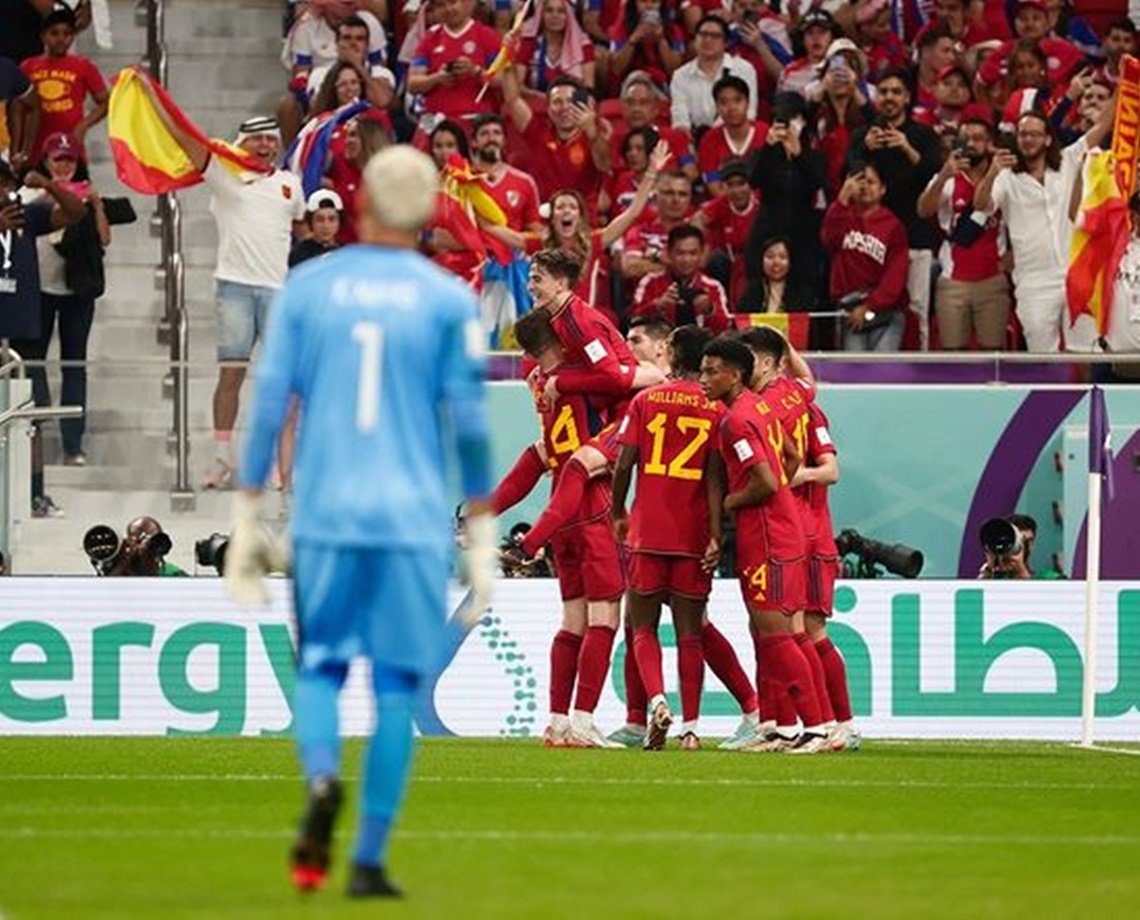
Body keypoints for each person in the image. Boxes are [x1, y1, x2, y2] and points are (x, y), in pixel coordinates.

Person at [226, 145, 495, 899]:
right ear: (431, 212)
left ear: (363, 201)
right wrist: (480, 532)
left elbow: (269, 401)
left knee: (320, 668)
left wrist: (249, 511)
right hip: (410, 520)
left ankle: (319, 781)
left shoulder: (309, 287)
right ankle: (370, 859)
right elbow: (470, 424)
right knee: (397, 691)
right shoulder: (449, 300)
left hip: (326, 514)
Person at [140, 104, 307, 488]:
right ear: (242, 143)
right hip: (233, 287)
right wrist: (156, 101)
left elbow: (298, 228)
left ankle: (277, 464)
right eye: (257, 139)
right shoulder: (223, 173)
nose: (265, 145)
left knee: (280, 380)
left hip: (278, 290)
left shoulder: (289, 183)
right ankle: (220, 460)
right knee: (230, 376)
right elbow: (186, 139)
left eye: (271, 139)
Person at [612, 324, 761, 751]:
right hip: (693, 534)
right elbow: (716, 478)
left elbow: (624, 464)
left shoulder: (645, 399)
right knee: (692, 632)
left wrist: (618, 510)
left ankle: (655, 704)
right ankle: (691, 728)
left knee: (640, 627)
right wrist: (716, 533)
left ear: (675, 353)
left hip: (647, 530)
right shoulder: (717, 409)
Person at [498, 309, 625, 748]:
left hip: (561, 510)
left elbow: (535, 456)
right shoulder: (583, 376)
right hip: (592, 503)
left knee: (572, 619)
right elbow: (630, 378)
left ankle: (557, 722)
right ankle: (585, 721)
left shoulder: (538, 383)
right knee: (603, 617)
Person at [698, 335, 827, 754]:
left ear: (735, 375)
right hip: (776, 529)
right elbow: (790, 456)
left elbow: (768, 481)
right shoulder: (759, 407)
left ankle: (818, 728)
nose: (703, 379)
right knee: (769, 632)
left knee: (776, 635)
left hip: (768, 534)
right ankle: (784, 729)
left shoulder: (736, 420)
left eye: (711, 371)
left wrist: (733, 501)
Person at [973, 103, 1113, 352]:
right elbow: (981, 204)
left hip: (1075, 272)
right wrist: (993, 171)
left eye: (1034, 134)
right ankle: (1051, 392)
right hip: (1033, 281)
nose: (1027, 139)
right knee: (1040, 352)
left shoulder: (1069, 160)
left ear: (1048, 139)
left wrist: (1124, 81)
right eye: (1023, 134)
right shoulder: (1006, 178)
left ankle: (1086, 392)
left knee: (1086, 350)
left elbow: (1103, 125)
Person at [1, 155, 85, 518]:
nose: (3, 191)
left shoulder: (26, 217)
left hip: (24, 332)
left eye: (6, 184)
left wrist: (49, 185)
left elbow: (75, 213)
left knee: (30, 417)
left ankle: (36, 493)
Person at [22, 131, 110, 466]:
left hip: (76, 291)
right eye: (57, 159)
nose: (63, 166)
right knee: (34, 364)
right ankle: (37, 433)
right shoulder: (27, 193)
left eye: (69, 159)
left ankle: (74, 444)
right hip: (39, 289)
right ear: (45, 161)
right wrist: (44, 190)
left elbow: (104, 238)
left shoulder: (86, 194)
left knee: (74, 365)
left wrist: (98, 206)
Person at [847, 68, 942, 350]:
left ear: (907, 98)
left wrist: (907, 148)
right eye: (884, 91)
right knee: (869, 306)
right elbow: (848, 179)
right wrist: (864, 150)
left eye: (896, 92)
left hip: (915, 238)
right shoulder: (863, 136)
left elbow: (935, 177)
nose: (889, 97)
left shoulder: (922, 135)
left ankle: (919, 367)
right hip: (871, 242)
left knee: (916, 308)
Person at [790, 399, 860, 750]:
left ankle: (840, 725)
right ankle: (801, 725)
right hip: (787, 537)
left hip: (813, 538)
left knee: (810, 629)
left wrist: (798, 475)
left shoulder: (807, 410)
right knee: (788, 632)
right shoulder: (761, 408)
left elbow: (831, 471)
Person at [916, 110, 1010, 351]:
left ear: (990, 144)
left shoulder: (1004, 177)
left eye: (978, 138)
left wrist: (1012, 259)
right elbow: (923, 211)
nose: (971, 144)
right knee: (953, 353)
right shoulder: (948, 178)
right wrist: (944, 175)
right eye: (966, 138)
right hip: (953, 280)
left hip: (992, 280)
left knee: (994, 355)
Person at [821, 161, 909, 352]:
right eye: (859, 181)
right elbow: (829, 240)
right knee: (854, 372)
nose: (865, 187)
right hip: (850, 309)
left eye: (871, 182)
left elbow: (895, 276)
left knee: (884, 372)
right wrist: (842, 200)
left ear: (883, 188)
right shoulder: (842, 215)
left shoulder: (893, 225)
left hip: (886, 311)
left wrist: (870, 305)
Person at [501, 71, 613, 214]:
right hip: (546, 221)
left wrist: (592, 132)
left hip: (584, 222)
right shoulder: (538, 133)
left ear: (581, 105)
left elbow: (604, 165)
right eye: (557, 102)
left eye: (570, 101)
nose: (564, 107)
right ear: (548, 109)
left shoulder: (594, 136)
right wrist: (506, 60)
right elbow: (513, 99)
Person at [19, 3, 107, 164]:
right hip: (35, 153)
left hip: (71, 152)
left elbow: (105, 102)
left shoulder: (84, 66)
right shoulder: (28, 67)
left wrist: (83, 126)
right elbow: (16, 108)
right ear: (43, 36)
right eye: (54, 33)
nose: (61, 39)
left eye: (67, 33)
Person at [629, 224, 731, 333]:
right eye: (680, 253)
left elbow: (726, 328)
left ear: (701, 253)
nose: (686, 260)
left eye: (693, 253)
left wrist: (709, 310)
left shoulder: (713, 286)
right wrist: (658, 305)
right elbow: (631, 321)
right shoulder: (650, 282)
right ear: (669, 253)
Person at [670, 15, 758, 134]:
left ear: (726, 43)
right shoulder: (680, 75)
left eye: (715, 36)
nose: (707, 40)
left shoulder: (743, 69)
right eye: (703, 35)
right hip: (693, 139)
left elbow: (749, 112)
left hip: (734, 134)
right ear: (694, 39)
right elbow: (679, 115)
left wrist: (713, 138)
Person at [695, 74, 768, 196]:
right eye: (724, 102)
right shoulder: (709, 140)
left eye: (737, 100)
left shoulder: (767, 134)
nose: (732, 108)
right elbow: (714, 187)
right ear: (717, 108)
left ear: (748, 103)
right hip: (724, 208)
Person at [515, 0, 597, 98]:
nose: (555, 16)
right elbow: (518, 86)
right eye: (549, 10)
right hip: (536, 103)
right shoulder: (528, 43)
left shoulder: (584, 46)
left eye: (561, 11)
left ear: (569, 16)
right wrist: (548, 98)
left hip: (572, 106)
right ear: (541, 15)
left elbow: (588, 88)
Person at [103, 516, 186, 577]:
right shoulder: (118, 573)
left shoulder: (173, 574)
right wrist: (123, 562)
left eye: (156, 541)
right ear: (128, 542)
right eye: (137, 540)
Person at [290, 189, 344, 267]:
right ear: (311, 222)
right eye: (320, 220)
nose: (326, 226)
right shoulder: (298, 254)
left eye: (332, 219)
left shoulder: (345, 254)